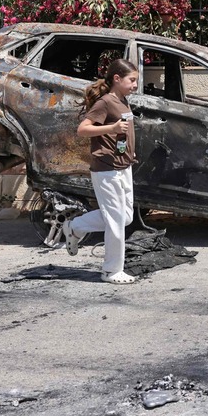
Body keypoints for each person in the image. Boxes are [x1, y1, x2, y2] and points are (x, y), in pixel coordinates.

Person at [62, 58, 140, 285]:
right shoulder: (105, 102)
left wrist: (128, 153)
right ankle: (111, 271)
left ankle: (74, 227)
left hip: (123, 166)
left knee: (124, 218)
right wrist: (113, 128)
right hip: (106, 169)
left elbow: (122, 136)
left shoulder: (122, 100)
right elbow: (83, 129)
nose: (135, 85)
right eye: (132, 80)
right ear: (117, 79)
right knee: (115, 221)